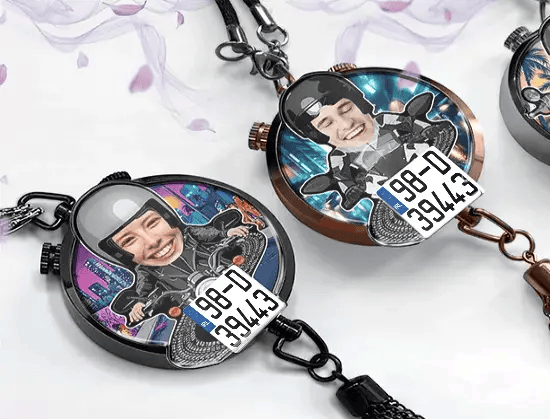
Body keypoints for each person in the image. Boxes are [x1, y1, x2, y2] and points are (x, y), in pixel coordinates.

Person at [73, 182, 256, 325]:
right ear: (121, 255)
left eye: (152, 223)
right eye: (129, 241)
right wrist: (140, 303)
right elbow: (144, 287)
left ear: (168, 218)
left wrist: (227, 233)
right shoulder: (145, 270)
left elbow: (208, 234)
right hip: (192, 301)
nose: (153, 242)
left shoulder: (190, 234)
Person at [280, 72, 458, 211]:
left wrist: (423, 130)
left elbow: (407, 122)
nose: (346, 124)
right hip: (385, 187)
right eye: (326, 124)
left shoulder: (383, 120)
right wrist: (350, 189)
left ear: (359, 103)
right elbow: (342, 177)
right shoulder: (338, 157)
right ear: (317, 135)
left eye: (346, 108)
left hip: (420, 159)